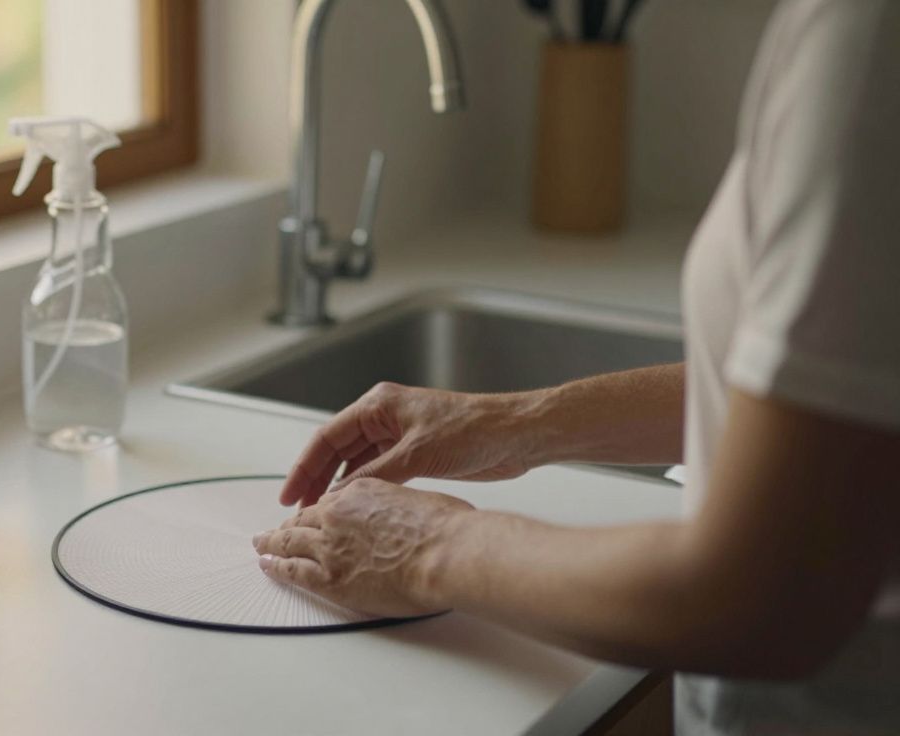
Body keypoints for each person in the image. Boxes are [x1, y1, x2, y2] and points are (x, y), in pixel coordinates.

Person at [252, 1, 900, 733]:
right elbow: (832, 397)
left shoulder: (867, 34)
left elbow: (761, 589)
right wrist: (513, 422)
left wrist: (428, 547)